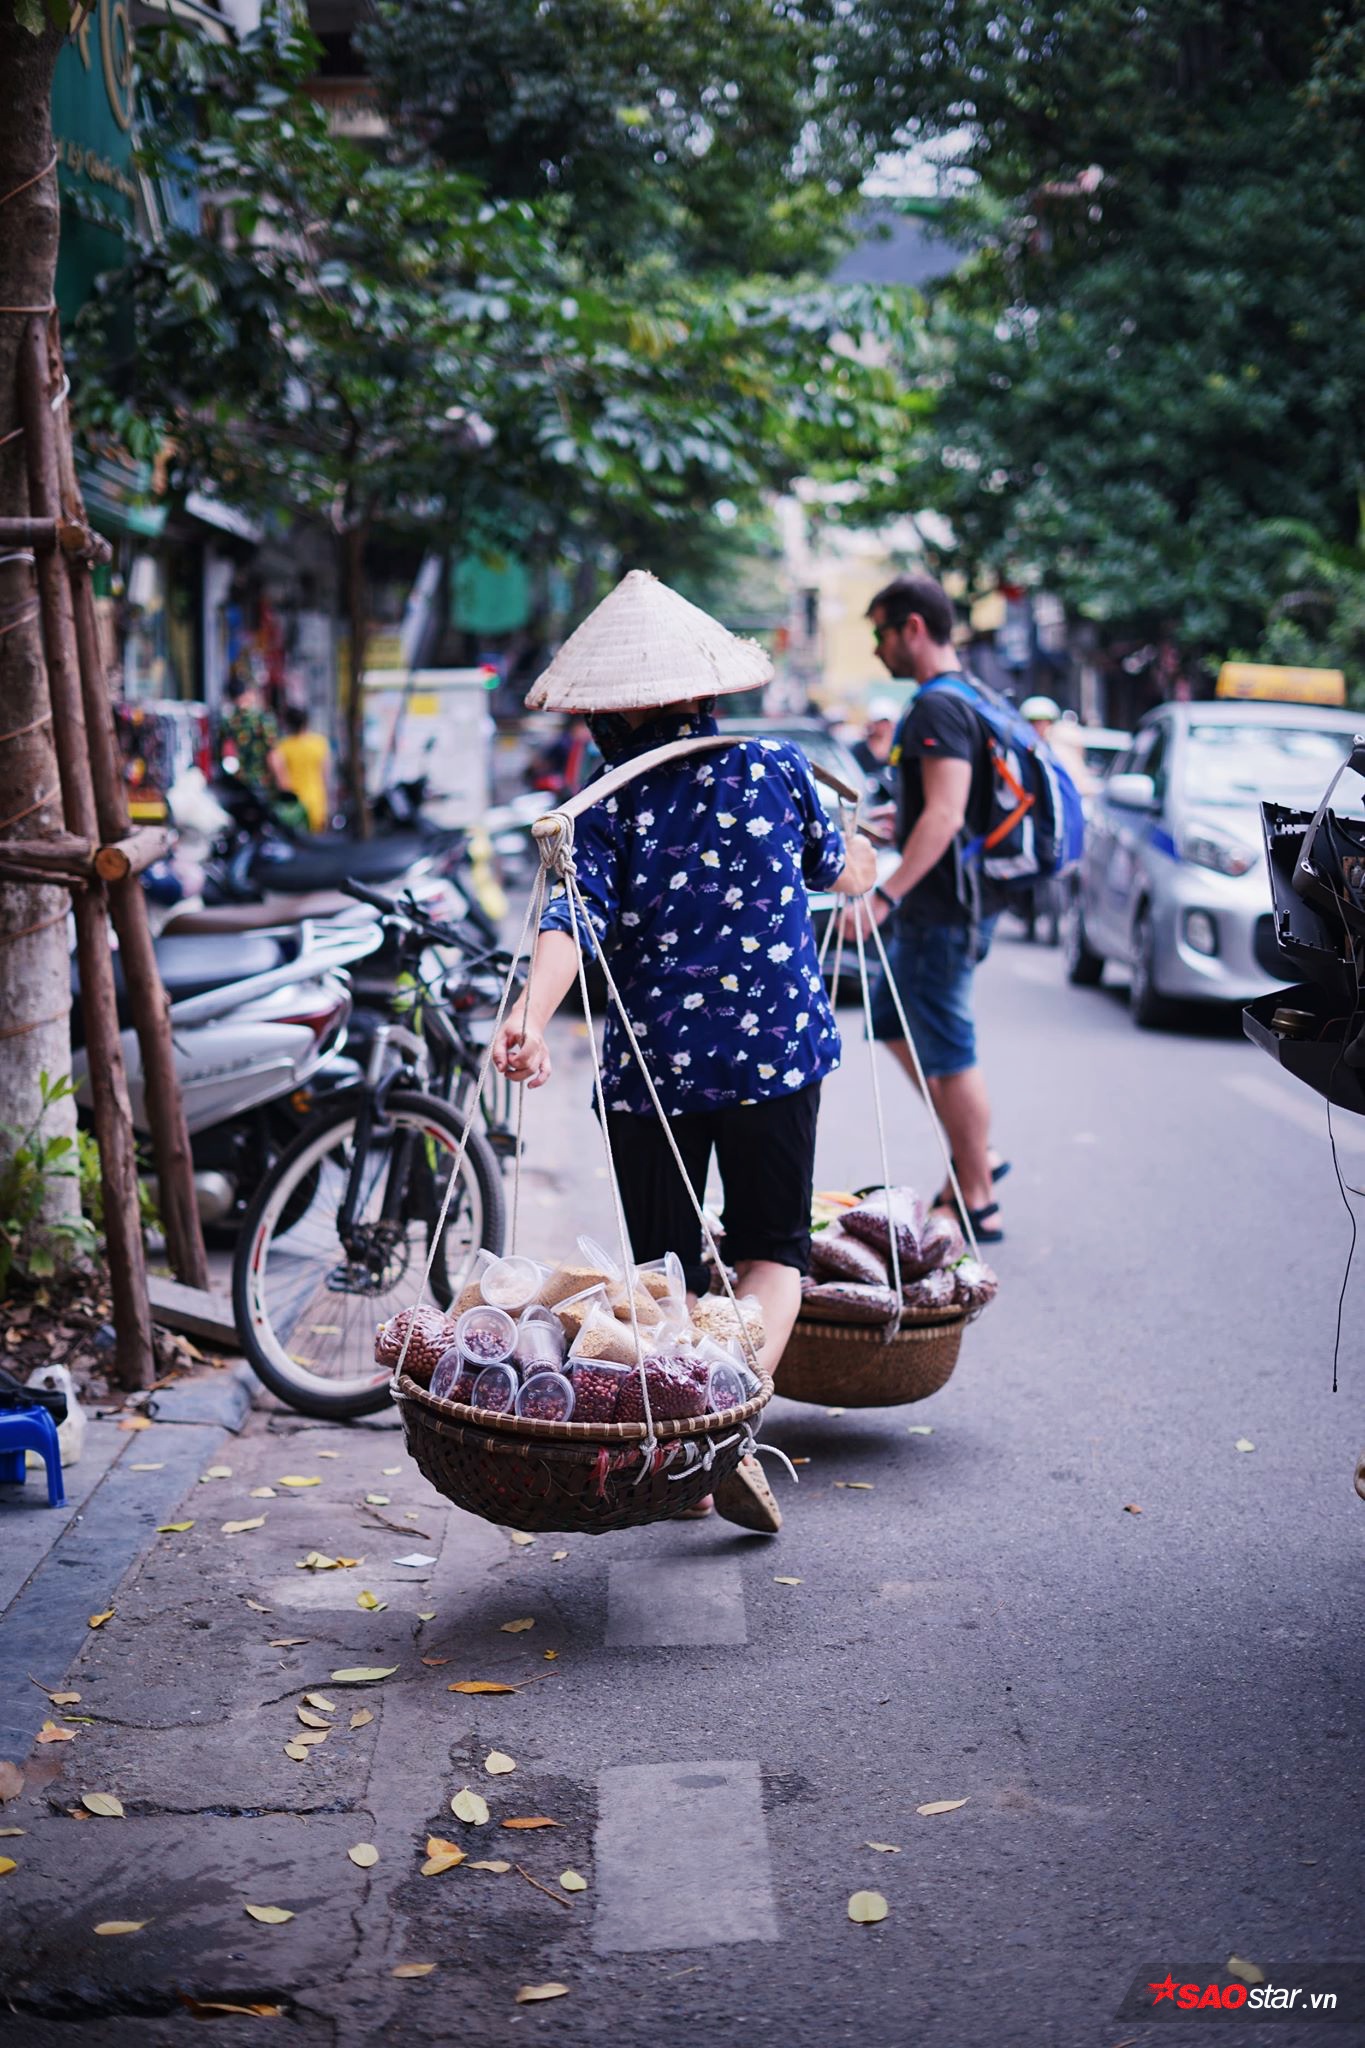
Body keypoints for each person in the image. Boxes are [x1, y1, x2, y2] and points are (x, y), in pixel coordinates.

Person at [491, 570, 877, 1530]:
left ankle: (699, 1442)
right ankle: (724, 1431)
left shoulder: (602, 808)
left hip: (653, 1074)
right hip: (773, 1060)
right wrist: (861, 859)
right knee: (771, 1254)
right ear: (699, 693)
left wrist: (531, 1021)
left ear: (611, 717)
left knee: (665, 1273)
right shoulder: (775, 769)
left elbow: (567, 921)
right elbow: (841, 868)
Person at [842, 572, 1007, 1242]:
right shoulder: (958, 698)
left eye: (881, 631)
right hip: (941, 906)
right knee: (889, 1019)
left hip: (941, 911)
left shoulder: (938, 706)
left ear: (912, 627)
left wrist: (883, 895)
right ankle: (977, 1155)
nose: (878, 648)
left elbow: (944, 815)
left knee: (946, 1047)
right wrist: (894, 819)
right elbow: (936, 810)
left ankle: (977, 1190)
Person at [216, 673, 279, 802]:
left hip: (235, 785)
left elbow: (225, 752)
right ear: (248, 693)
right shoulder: (263, 719)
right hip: (260, 784)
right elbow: (272, 754)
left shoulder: (227, 722)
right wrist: (281, 782)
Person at [270, 704, 332, 834]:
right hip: (316, 800)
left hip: (294, 804)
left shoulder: (283, 746)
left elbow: (278, 772)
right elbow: (325, 773)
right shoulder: (320, 743)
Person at [851, 697, 899, 806]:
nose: (884, 727)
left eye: (887, 722)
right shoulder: (859, 749)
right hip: (865, 802)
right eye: (880, 722)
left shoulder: (896, 750)